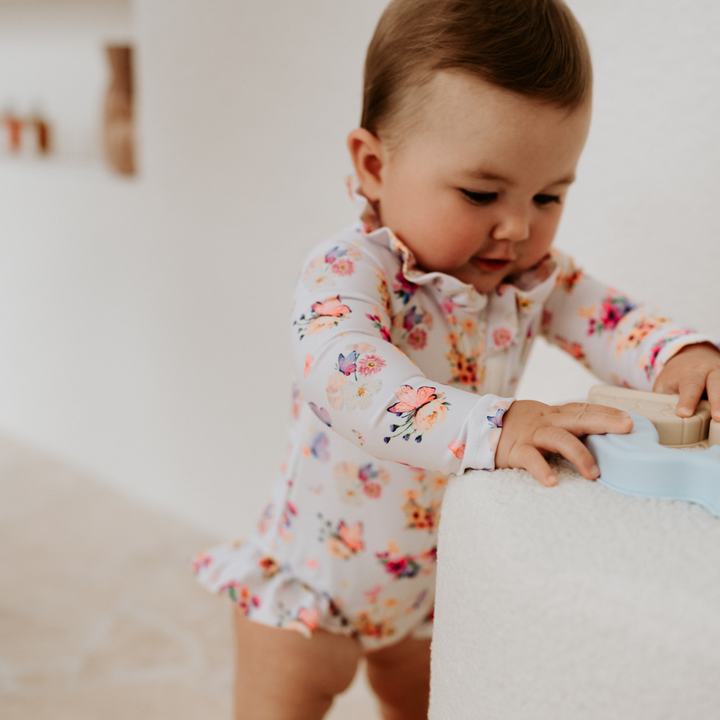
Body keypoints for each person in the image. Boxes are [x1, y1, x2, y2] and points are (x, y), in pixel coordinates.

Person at [194, 1, 720, 717]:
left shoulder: (533, 280)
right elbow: (347, 380)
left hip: (427, 590)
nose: (517, 226)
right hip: (310, 589)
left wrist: (680, 354)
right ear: (375, 166)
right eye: (481, 192)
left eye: (549, 194)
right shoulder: (351, 272)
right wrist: (495, 426)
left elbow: (614, 321)